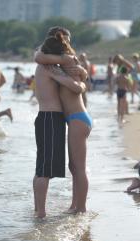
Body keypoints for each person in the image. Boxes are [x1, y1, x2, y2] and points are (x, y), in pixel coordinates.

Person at [32, 26, 87, 218]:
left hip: (47, 118)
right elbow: (76, 86)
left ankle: (39, 210)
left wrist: (80, 74)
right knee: (44, 170)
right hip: (50, 118)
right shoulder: (50, 68)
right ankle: (41, 213)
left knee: (42, 168)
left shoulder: (47, 66)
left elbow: (78, 82)